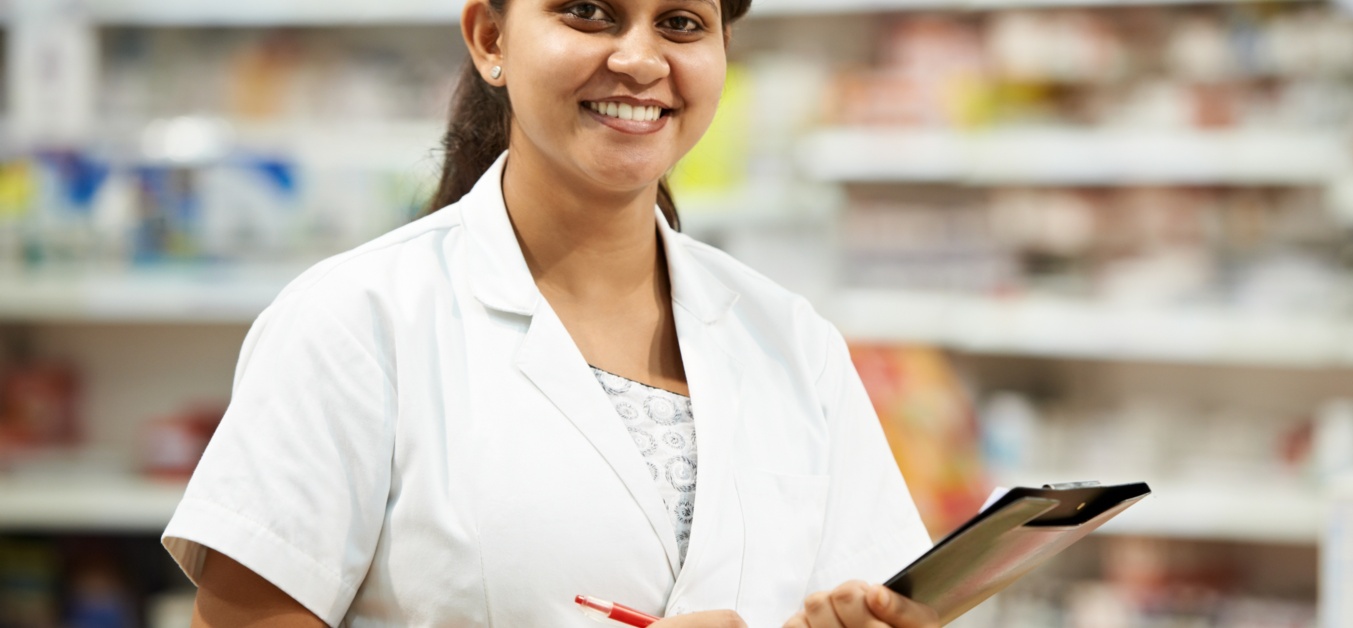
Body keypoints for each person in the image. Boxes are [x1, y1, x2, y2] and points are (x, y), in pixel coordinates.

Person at [162, 0, 943, 625]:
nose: (640, 60)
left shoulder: (794, 343)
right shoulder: (353, 322)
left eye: (680, 23)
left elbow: (878, 587)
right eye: (589, 13)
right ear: (490, 37)